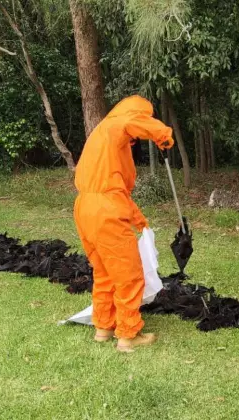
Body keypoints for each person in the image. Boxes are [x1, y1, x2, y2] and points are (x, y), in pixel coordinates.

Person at [73, 95, 174, 353]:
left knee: (105, 271)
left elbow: (112, 188)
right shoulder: (120, 123)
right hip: (106, 209)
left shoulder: (104, 134)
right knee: (128, 275)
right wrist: (162, 135)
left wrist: (138, 219)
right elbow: (134, 122)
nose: (134, 141)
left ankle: (103, 329)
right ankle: (128, 336)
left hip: (86, 207)